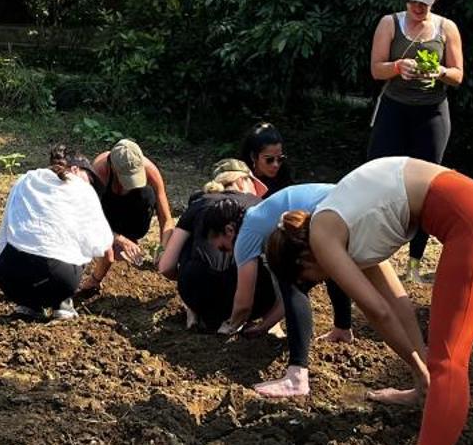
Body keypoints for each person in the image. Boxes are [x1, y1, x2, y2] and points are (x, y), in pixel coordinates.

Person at [263, 155, 473, 445]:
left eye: (309, 282)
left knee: (449, 360)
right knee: (439, 365)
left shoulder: (322, 234)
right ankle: (426, 392)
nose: (319, 284)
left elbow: (377, 311)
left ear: (303, 262)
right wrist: (420, 375)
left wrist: (426, 366)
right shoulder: (345, 223)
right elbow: (398, 303)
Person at [367, 0, 465, 264]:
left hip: (432, 111)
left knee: (428, 181)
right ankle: (374, 250)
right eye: (413, 2)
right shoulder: (389, 23)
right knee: (378, 173)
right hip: (395, 107)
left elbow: (458, 75)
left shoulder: (447, 28)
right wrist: (397, 66)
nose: (418, 8)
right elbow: (376, 69)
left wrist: (440, 72)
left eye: (424, 2)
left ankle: (415, 259)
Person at [224, 182, 354, 400]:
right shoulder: (263, 213)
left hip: (327, 212)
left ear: (229, 230)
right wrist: (264, 326)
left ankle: (296, 375)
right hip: (346, 203)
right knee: (332, 268)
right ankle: (343, 329)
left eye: (222, 247)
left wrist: (229, 327)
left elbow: (244, 302)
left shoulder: (247, 233)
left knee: (292, 279)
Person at [0, 147, 118, 319]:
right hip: (59, 280)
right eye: (89, 179)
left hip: (9, 278)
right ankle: (63, 304)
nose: (90, 185)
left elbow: (6, 230)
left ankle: (29, 305)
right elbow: (105, 250)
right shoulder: (82, 188)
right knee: (80, 243)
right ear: (75, 169)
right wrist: (94, 280)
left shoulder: (26, 179)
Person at [157, 168, 276, 330]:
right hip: (256, 300)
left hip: (196, 294)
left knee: (191, 239)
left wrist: (186, 280)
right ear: (242, 181)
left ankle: (194, 311)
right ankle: (261, 321)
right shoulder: (260, 206)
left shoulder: (199, 203)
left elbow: (166, 267)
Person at [87, 138, 175, 260]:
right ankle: (111, 240)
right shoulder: (99, 171)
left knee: (147, 193)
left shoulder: (150, 171)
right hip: (106, 218)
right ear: (113, 167)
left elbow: (166, 219)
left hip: (131, 218)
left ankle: (130, 237)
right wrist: (119, 239)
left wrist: (163, 249)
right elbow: (87, 217)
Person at [243, 123, 293, 197]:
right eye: (269, 159)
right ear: (253, 156)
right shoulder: (240, 180)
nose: (276, 165)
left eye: (280, 158)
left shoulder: (283, 174)